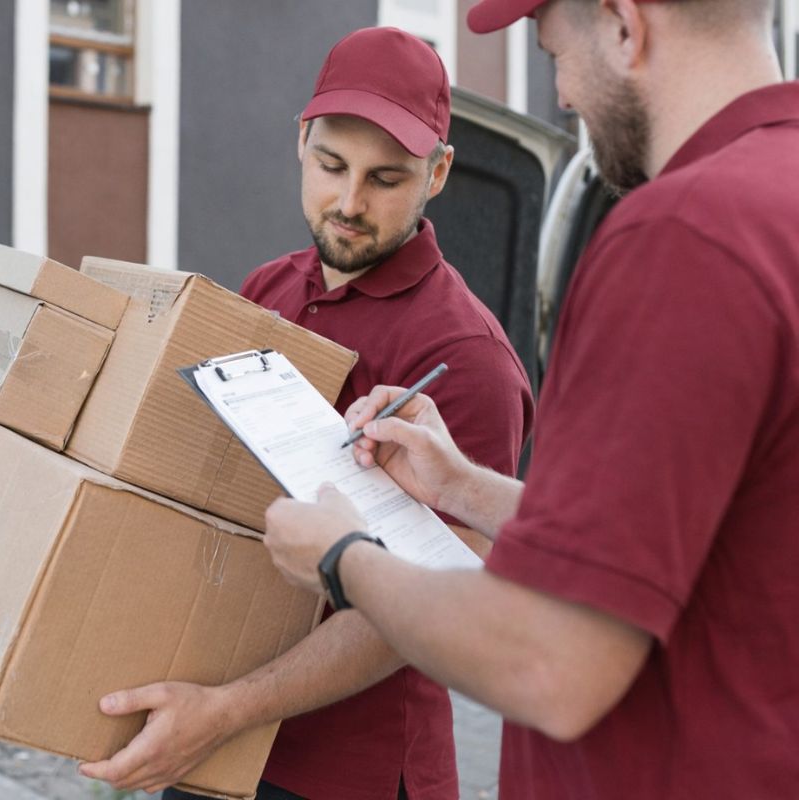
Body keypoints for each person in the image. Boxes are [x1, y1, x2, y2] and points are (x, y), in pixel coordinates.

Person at [263, 1, 799, 797]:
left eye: (554, 55)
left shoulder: (682, 233)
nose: (567, 98)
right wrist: (462, 487)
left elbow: (553, 662)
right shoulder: (776, 197)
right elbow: (665, 548)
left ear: (623, 23)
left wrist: (344, 559)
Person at [80, 27, 534, 800]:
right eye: (332, 166)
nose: (350, 203)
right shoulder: (269, 289)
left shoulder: (466, 354)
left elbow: (422, 616)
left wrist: (224, 711)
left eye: (386, 179)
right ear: (301, 141)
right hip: (214, 737)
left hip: (348, 772)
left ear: (439, 173)